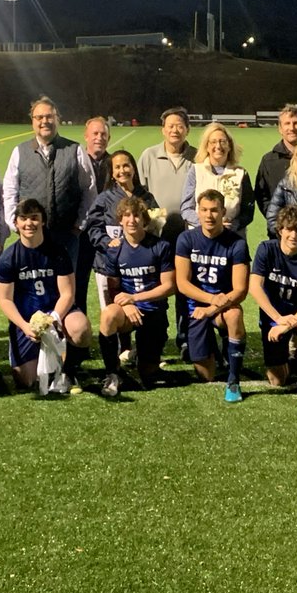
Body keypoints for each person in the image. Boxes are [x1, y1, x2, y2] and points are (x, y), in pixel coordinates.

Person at [0, 199, 85, 392]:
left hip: (57, 313)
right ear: (16, 223)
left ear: (43, 221)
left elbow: (68, 293)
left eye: (34, 218)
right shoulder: (8, 258)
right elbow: (4, 299)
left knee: (80, 328)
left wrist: (54, 318)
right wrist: (24, 326)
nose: (29, 223)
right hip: (27, 319)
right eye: (24, 218)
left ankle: (69, 370)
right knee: (25, 381)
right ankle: (42, 357)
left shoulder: (58, 252)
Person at [2, 96, 97, 271]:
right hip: (31, 236)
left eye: (49, 116)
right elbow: (9, 190)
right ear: (32, 121)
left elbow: (89, 190)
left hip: (66, 237)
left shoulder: (75, 150)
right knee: (33, 283)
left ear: (57, 119)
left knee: (66, 285)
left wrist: (79, 225)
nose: (44, 121)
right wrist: (13, 223)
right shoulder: (20, 152)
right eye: (39, 117)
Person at [174, 189, 250, 403]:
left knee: (234, 315)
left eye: (214, 210)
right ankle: (216, 350)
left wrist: (212, 308)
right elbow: (182, 284)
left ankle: (233, 379)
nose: (209, 215)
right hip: (196, 308)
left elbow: (240, 290)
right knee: (206, 375)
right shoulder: (186, 239)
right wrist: (210, 300)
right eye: (204, 210)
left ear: (223, 212)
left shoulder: (236, 243)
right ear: (197, 212)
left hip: (222, 307)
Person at [249, 206, 297, 408]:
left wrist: (288, 323)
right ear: (280, 230)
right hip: (274, 316)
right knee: (277, 380)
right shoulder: (266, 249)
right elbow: (255, 287)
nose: (294, 235)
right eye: (289, 229)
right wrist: (278, 318)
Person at [98, 197, 176, 395]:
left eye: (136, 215)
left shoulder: (160, 246)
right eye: (126, 216)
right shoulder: (115, 250)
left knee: (148, 374)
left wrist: (135, 298)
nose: (131, 220)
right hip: (127, 312)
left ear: (145, 219)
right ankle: (112, 373)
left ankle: (142, 358)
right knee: (108, 315)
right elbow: (113, 289)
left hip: (153, 311)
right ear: (120, 220)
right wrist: (126, 305)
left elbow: (169, 286)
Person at [137, 106, 197, 357]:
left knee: (185, 287)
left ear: (187, 130)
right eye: (170, 126)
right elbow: (140, 195)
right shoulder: (149, 156)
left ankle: (185, 340)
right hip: (156, 237)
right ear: (163, 130)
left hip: (187, 236)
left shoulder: (198, 156)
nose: (175, 130)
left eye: (180, 126)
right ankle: (154, 339)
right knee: (156, 287)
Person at [86, 149, 157, 318]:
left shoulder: (146, 197)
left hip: (140, 267)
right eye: (117, 167)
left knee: (142, 311)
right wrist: (106, 242)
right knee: (112, 313)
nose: (122, 170)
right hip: (108, 267)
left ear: (133, 169)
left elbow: (155, 225)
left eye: (126, 165)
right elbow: (93, 228)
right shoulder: (104, 198)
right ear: (111, 174)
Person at [179, 122, 254, 234]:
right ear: (207, 146)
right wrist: (208, 225)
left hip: (232, 236)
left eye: (222, 141)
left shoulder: (241, 173)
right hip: (199, 236)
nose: (218, 146)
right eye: (213, 142)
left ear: (229, 146)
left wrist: (232, 226)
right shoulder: (195, 171)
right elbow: (186, 208)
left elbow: (248, 212)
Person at [75, 116, 112, 313]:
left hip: (106, 235)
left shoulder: (115, 164)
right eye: (95, 133)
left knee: (110, 286)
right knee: (77, 284)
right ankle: (78, 327)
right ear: (86, 136)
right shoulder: (76, 162)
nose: (99, 138)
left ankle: (112, 327)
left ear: (109, 138)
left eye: (103, 134)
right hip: (80, 234)